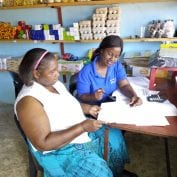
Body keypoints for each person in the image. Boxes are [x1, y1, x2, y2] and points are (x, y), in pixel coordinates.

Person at [14, 48, 130, 177]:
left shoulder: (53, 83)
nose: (57, 74)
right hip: (58, 149)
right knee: (100, 173)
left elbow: (66, 103)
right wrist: (82, 127)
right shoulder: (28, 102)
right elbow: (43, 143)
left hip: (77, 130)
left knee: (114, 135)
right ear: (36, 73)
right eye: (52, 71)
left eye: (56, 69)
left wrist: (87, 108)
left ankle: (115, 172)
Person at [77, 35, 143, 177]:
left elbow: (123, 84)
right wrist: (93, 96)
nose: (112, 59)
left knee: (122, 129)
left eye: (116, 56)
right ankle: (112, 170)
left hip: (112, 107)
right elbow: (81, 97)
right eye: (109, 54)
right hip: (92, 111)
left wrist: (133, 95)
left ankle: (115, 166)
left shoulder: (117, 66)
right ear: (101, 51)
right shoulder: (87, 71)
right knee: (113, 138)